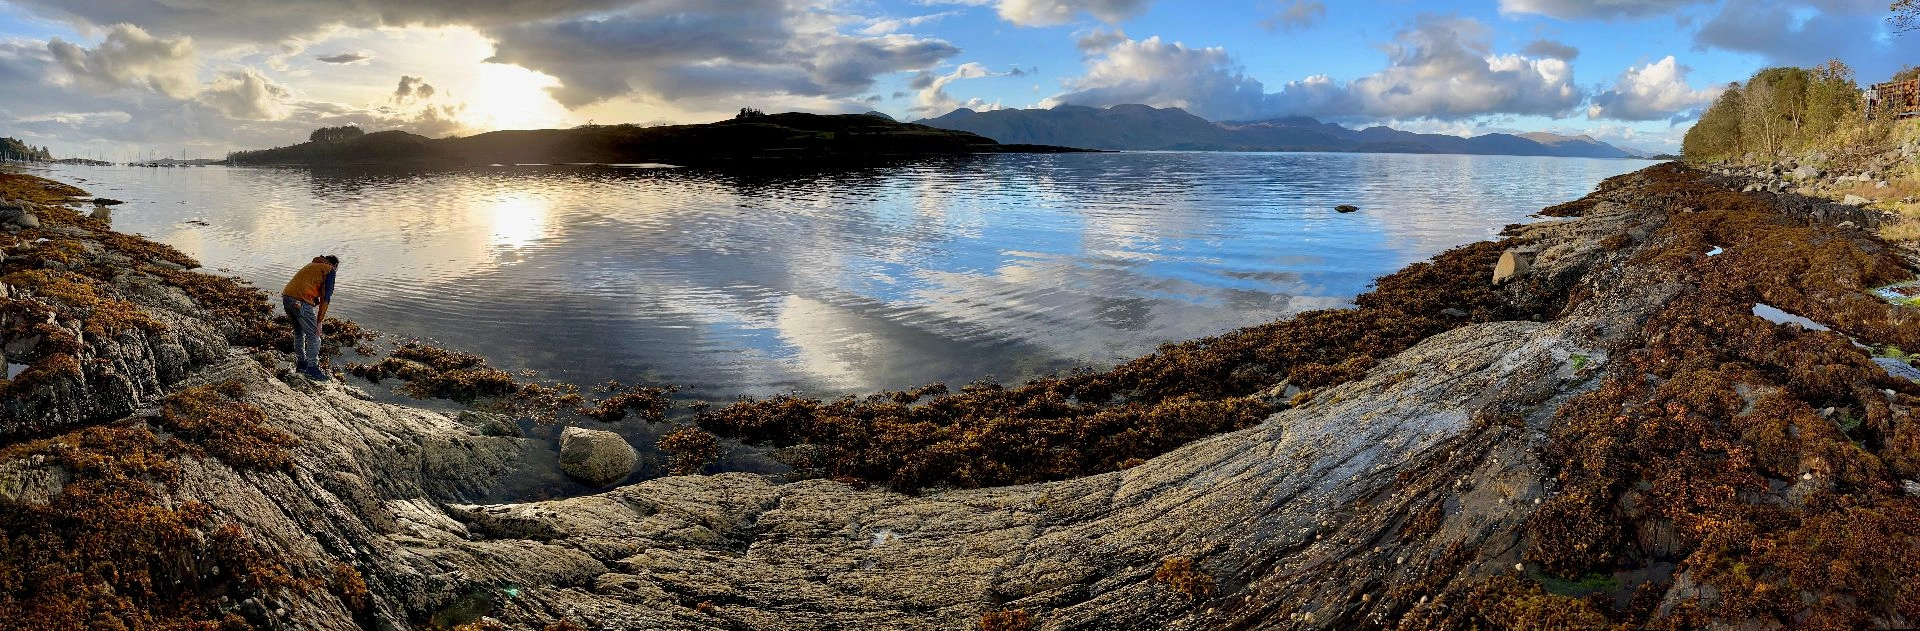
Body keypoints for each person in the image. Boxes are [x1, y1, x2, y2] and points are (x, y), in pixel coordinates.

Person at [282, 255, 338, 380]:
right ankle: (312, 368)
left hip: (287, 297)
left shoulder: (313, 265)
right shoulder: (330, 269)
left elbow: (308, 286)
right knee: (314, 336)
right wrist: (320, 321)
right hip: (300, 301)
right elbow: (326, 298)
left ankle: (301, 364)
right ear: (334, 265)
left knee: (299, 333)